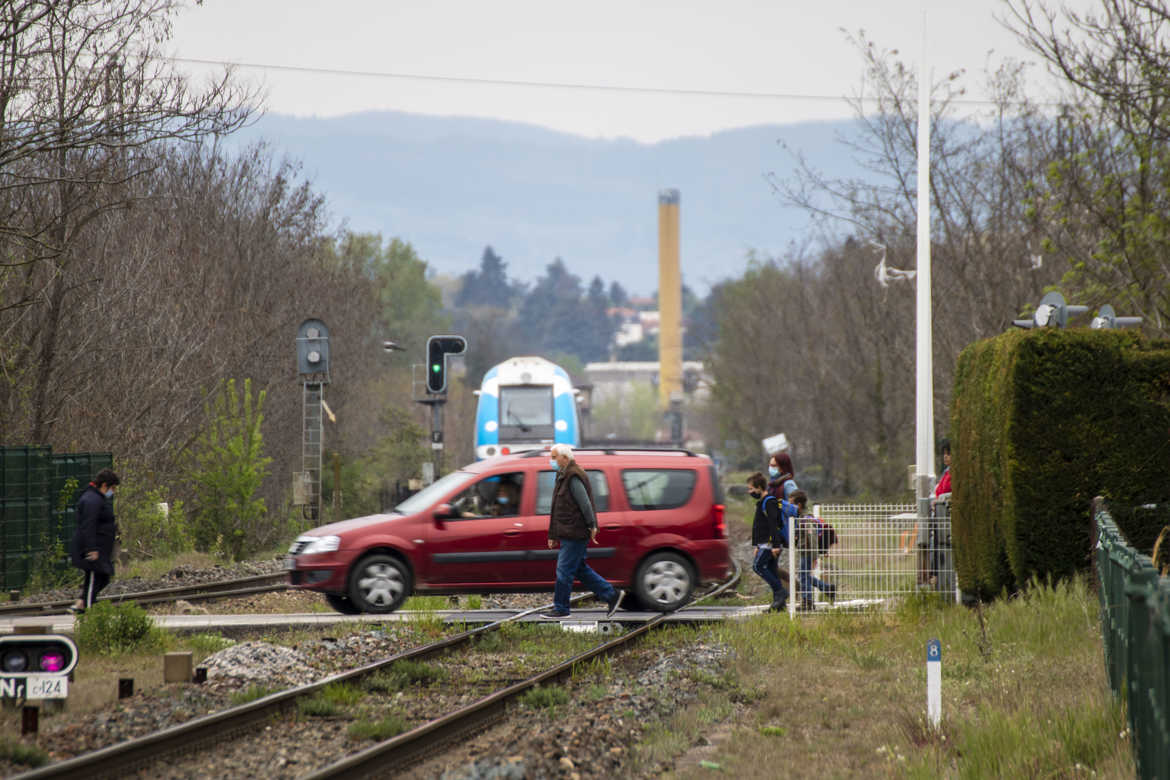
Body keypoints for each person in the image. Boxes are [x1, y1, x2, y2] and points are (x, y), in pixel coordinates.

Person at [542, 444, 624, 619]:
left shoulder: (573, 476)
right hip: (567, 531)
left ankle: (561, 608)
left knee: (563, 570)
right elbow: (558, 508)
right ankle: (611, 595)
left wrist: (592, 525)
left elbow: (585, 504)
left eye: (554, 457)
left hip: (575, 532)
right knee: (579, 569)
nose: (551, 461)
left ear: (565, 458)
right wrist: (552, 535)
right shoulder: (562, 475)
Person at [69, 468, 121, 614]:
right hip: (93, 548)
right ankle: (86, 611)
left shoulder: (96, 498)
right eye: (112, 488)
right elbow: (88, 525)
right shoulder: (92, 500)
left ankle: (81, 604)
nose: (113, 491)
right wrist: (91, 548)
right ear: (104, 485)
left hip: (99, 548)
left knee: (102, 577)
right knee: (94, 578)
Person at [747, 472, 788, 612]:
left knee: (757, 566)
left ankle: (780, 592)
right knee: (771, 570)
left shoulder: (769, 502)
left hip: (770, 544)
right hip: (764, 544)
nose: (750, 492)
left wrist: (776, 546)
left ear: (759, 488)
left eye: (752, 489)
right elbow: (761, 525)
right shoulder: (763, 502)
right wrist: (757, 545)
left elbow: (773, 525)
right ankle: (779, 604)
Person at [790, 490, 836, 610]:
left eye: (791, 504)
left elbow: (812, 539)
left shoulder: (806, 519)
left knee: (803, 576)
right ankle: (827, 588)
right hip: (806, 550)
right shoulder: (803, 517)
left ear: (798, 505)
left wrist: (815, 555)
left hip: (807, 551)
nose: (790, 507)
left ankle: (808, 602)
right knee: (803, 575)